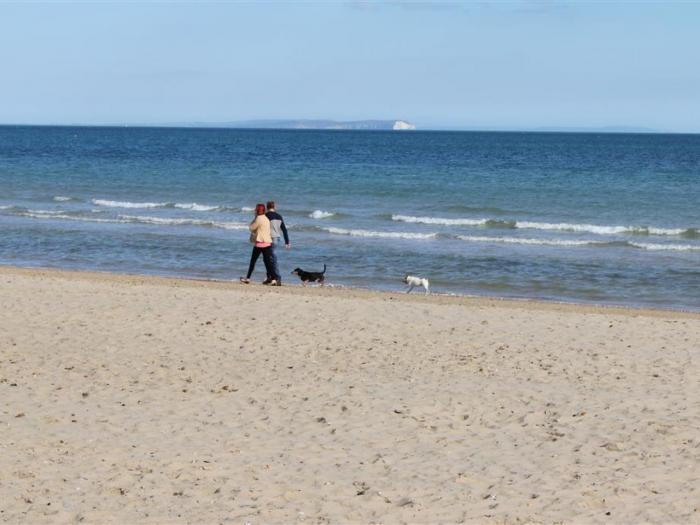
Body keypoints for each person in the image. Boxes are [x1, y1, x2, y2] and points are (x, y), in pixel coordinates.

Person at [240, 203, 280, 285]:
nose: (254, 210)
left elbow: (251, 228)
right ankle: (274, 279)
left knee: (253, 262)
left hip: (260, 244)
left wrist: (254, 217)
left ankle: (248, 278)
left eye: (255, 209)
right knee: (268, 263)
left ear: (257, 210)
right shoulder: (266, 218)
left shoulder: (258, 218)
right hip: (267, 243)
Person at [264, 201, 290, 285]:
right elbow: (284, 229)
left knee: (271, 259)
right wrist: (287, 242)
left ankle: (277, 277)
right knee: (267, 258)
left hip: (268, 238)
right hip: (277, 238)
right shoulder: (279, 216)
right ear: (274, 207)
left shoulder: (266, 215)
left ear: (267, 207)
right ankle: (270, 277)